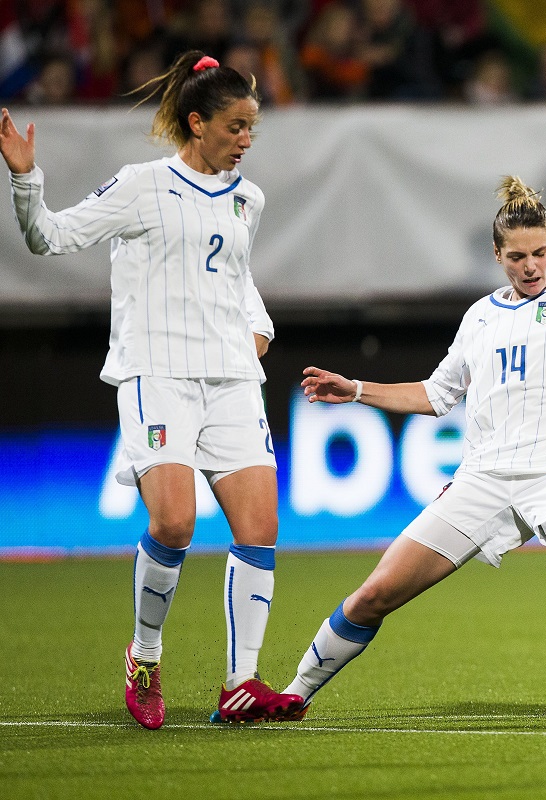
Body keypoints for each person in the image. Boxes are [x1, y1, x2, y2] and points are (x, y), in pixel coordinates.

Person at [278, 177, 546, 726]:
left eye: (539, 252)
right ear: (497, 255)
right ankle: (293, 693)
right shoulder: (479, 316)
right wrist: (358, 390)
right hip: (484, 476)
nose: (531, 265)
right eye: (517, 256)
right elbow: (437, 395)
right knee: (378, 592)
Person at [0, 51, 303, 728]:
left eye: (253, 126)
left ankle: (242, 683)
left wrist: (257, 326)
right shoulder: (142, 186)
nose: (247, 139)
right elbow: (49, 238)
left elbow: (237, 282)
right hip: (156, 376)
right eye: (236, 126)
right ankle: (144, 655)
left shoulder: (248, 199)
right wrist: (26, 181)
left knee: (259, 528)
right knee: (173, 523)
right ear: (197, 123)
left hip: (232, 382)